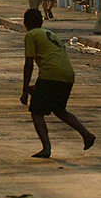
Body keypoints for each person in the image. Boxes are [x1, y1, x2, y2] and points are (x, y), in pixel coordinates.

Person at [20, 8, 95, 158]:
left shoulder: (31, 35)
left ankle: (46, 148)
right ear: (41, 22)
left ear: (25, 23)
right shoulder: (50, 34)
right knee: (60, 110)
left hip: (50, 75)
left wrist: (24, 91)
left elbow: (29, 64)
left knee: (36, 112)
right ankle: (86, 135)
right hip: (67, 74)